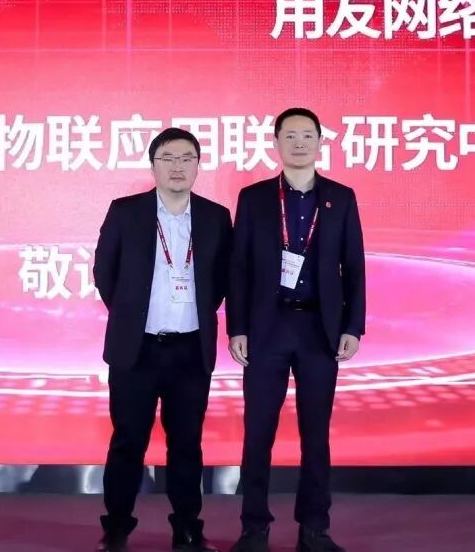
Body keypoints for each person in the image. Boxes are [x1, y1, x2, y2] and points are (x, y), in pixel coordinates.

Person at [226, 108, 366, 552]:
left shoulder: (341, 198)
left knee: (316, 434)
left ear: (321, 142)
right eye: (290, 135)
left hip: (318, 330)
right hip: (267, 328)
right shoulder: (254, 198)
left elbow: (354, 267)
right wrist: (237, 327)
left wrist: (353, 326)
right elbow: (238, 267)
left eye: (308, 135)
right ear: (276, 143)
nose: (299, 143)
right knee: (258, 432)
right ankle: (254, 528)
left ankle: (314, 529)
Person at [93, 127, 232, 552]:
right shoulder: (125, 212)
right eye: (168, 158)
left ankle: (187, 527)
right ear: (153, 165)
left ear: (198, 166)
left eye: (187, 158)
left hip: (190, 350)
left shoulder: (215, 217)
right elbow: (105, 272)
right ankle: (117, 527)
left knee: (186, 443)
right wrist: (132, 315)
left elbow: (222, 279)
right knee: (128, 441)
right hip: (136, 350)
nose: (177, 166)